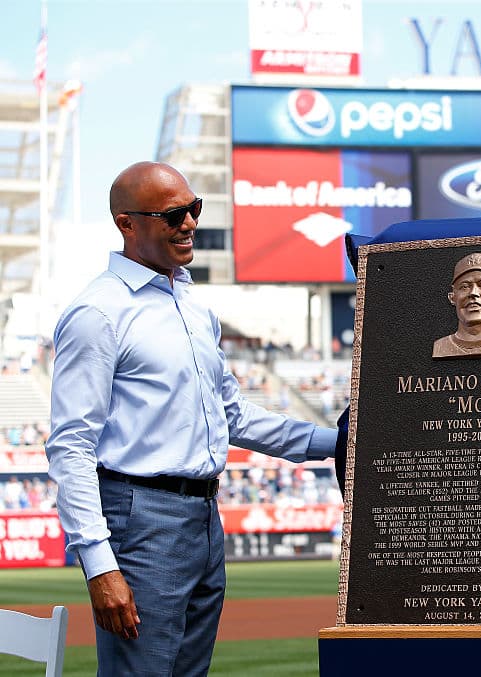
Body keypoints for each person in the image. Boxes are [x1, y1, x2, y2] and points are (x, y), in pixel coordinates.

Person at [45, 161, 338, 676]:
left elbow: (232, 417)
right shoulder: (98, 313)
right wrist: (99, 564)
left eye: (194, 208)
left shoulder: (195, 308)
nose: (190, 223)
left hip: (204, 518)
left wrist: (338, 441)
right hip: (140, 520)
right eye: (173, 214)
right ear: (126, 224)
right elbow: (71, 446)